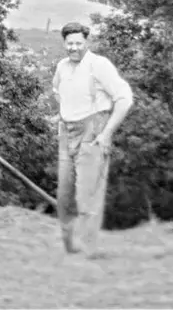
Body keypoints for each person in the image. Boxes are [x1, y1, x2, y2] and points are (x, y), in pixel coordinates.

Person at [52, 22, 134, 257]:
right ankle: (69, 247)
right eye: (70, 43)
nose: (74, 48)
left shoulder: (99, 66)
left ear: (86, 42)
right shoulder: (62, 67)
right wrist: (64, 117)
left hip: (93, 133)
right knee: (64, 194)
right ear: (64, 43)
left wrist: (106, 132)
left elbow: (124, 99)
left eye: (78, 43)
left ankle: (90, 251)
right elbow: (58, 92)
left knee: (87, 195)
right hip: (67, 134)